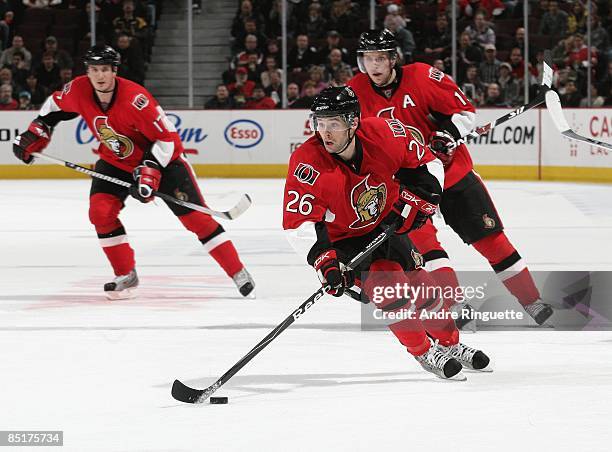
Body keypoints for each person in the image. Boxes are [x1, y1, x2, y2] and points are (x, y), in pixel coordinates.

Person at [12, 46, 255, 299]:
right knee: (100, 212)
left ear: (114, 71)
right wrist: (36, 132)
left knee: (197, 220)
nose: (99, 76)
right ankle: (125, 274)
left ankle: (238, 271)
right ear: (88, 71)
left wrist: (149, 172)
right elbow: (52, 107)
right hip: (115, 160)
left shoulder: (136, 99)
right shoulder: (78, 89)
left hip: (163, 161)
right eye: (94, 70)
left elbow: (167, 139)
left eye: (105, 69)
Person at [283, 86, 491, 380]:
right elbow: (299, 222)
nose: (325, 132)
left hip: (384, 223)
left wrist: (427, 193)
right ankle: (423, 351)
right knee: (390, 289)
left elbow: (425, 163)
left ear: (353, 122)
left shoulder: (385, 133)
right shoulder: (307, 162)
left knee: (426, 289)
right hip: (344, 240)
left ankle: (450, 344)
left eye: (333, 124)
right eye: (320, 123)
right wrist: (326, 263)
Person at [347, 30, 553, 325]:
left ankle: (532, 300)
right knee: (426, 248)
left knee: (491, 240)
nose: (374, 65)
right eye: (368, 59)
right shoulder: (355, 91)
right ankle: (455, 304)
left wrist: (447, 133)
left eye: (380, 58)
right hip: (407, 186)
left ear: (393, 58)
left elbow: (464, 112)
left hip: (452, 172)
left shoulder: (422, 76)